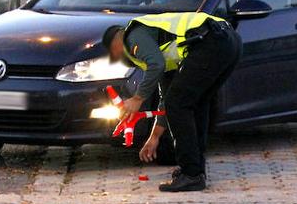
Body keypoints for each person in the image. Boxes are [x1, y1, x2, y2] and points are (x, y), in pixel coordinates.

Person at [103, 12, 242, 192]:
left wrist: (137, 98)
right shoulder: (161, 45)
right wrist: (154, 137)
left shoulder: (131, 35)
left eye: (114, 54)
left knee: (180, 104)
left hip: (211, 40)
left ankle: (191, 174)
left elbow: (156, 64)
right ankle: (195, 170)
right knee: (195, 103)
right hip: (229, 41)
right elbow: (166, 99)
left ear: (115, 44)